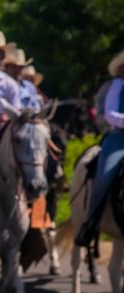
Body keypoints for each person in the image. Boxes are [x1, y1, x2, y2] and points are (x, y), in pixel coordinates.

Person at [75, 49, 124, 246]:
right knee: (105, 175)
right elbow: (110, 114)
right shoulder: (116, 86)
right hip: (118, 138)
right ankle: (91, 222)